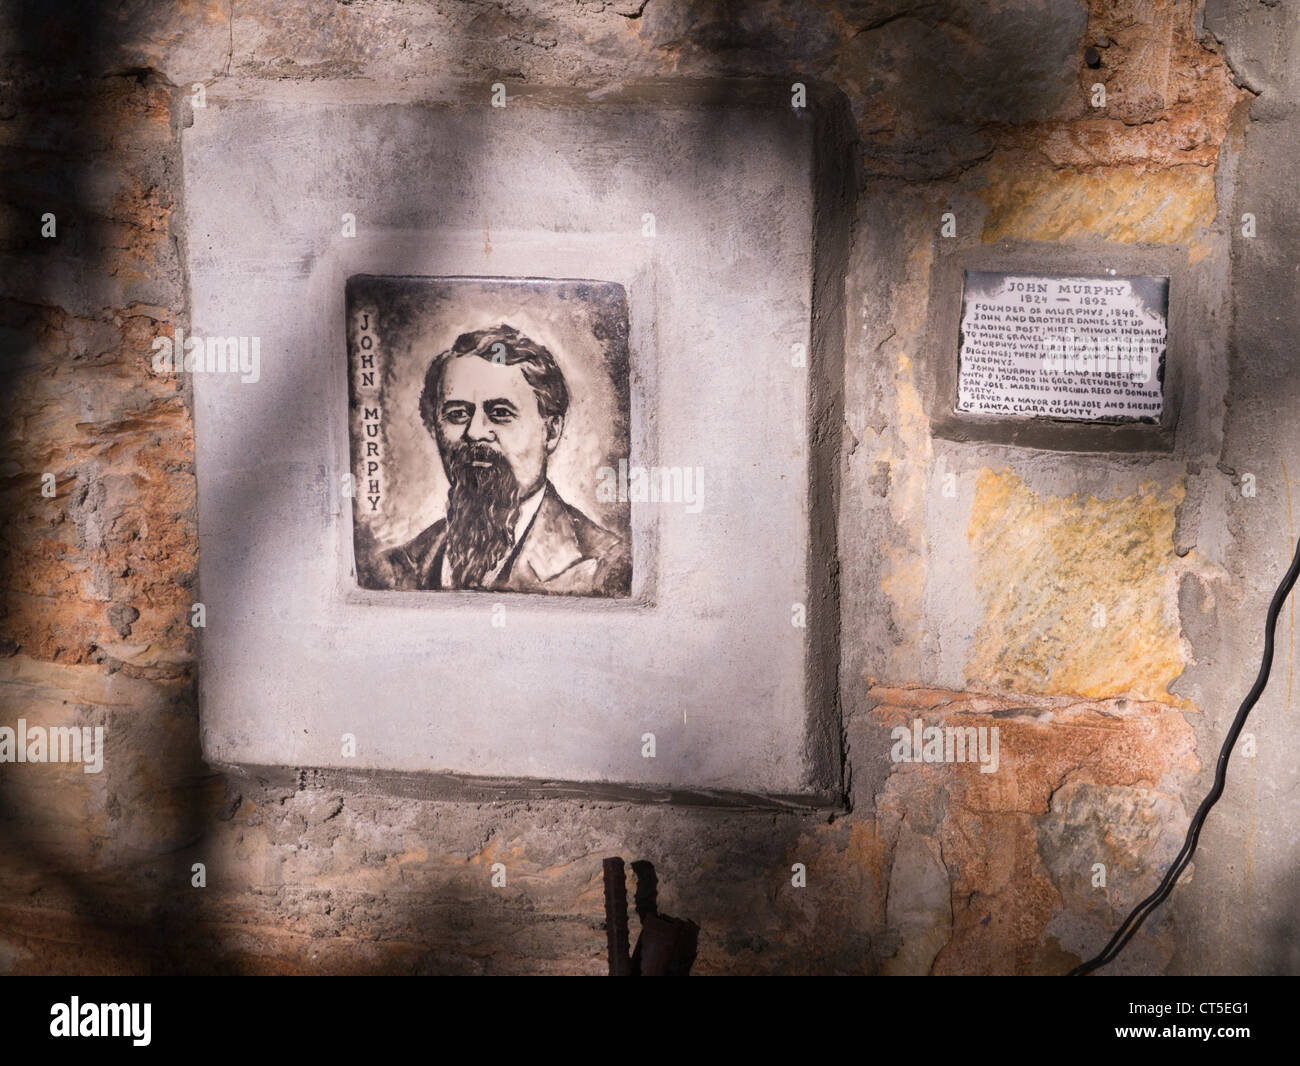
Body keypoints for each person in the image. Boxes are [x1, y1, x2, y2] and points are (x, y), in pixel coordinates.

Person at [379, 324, 631, 596]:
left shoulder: (606, 566)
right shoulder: (398, 567)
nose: (475, 432)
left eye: (500, 413)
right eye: (456, 414)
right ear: (434, 427)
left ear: (552, 431)